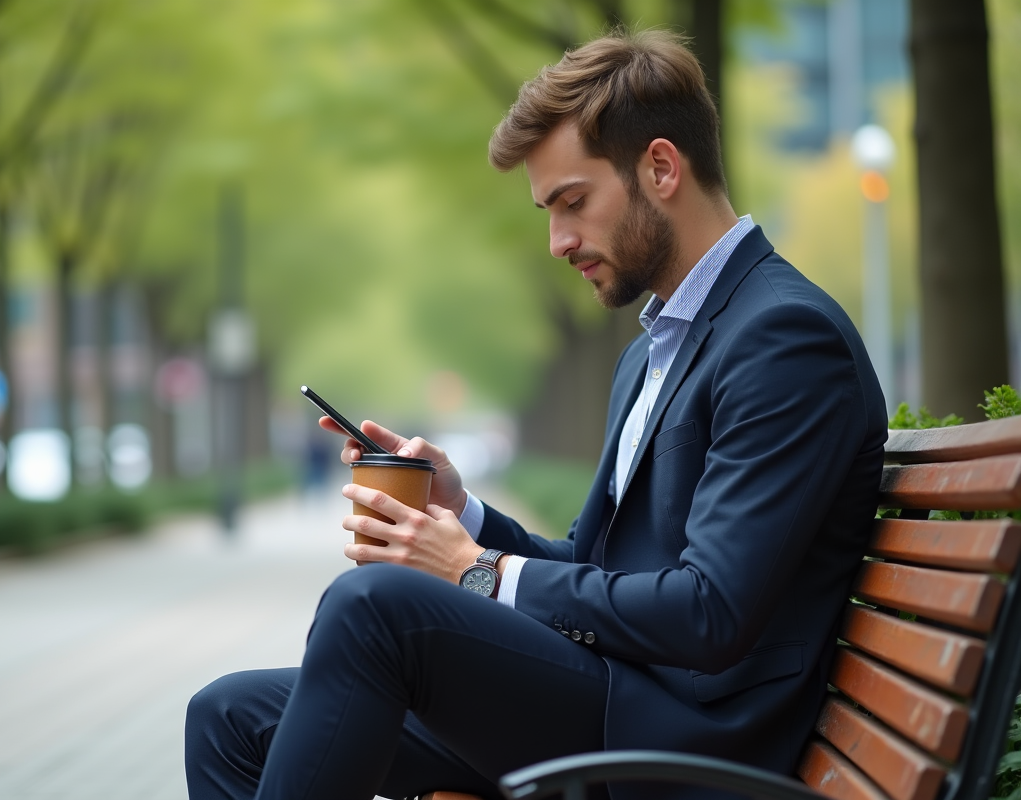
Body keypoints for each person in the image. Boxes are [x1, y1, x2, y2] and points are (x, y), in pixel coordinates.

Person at [185, 28, 887, 800]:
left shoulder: (783, 337)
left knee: (375, 607)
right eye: (548, 211)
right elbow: (596, 563)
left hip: (691, 741)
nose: (557, 241)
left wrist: (473, 572)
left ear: (660, 167)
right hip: (619, 697)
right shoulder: (655, 347)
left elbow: (709, 612)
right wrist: (465, 513)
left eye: (573, 203)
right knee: (226, 714)